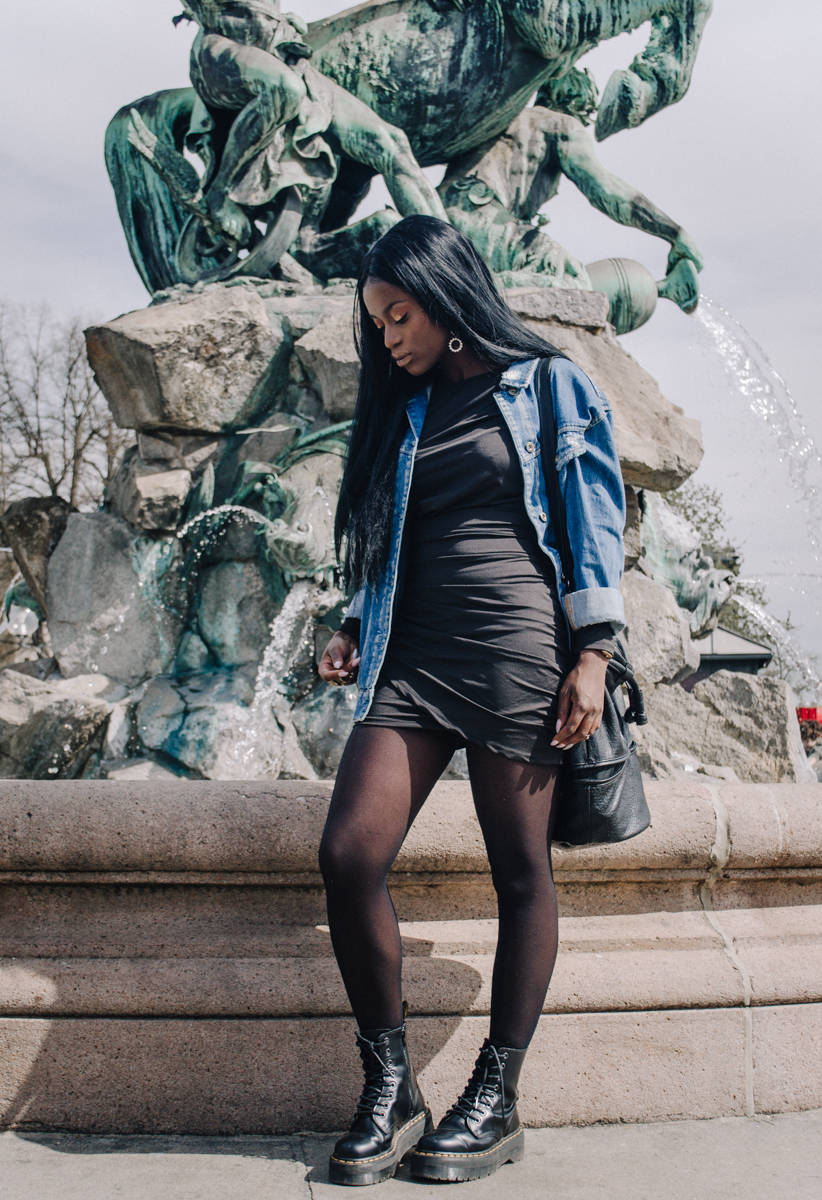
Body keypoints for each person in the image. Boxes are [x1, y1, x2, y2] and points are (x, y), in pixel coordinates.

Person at [317, 215, 626, 1186]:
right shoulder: (404, 414)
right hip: (411, 655)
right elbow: (389, 542)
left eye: (398, 315)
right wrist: (353, 619)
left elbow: (594, 517)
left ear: (447, 298)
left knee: (520, 869)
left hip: (516, 650)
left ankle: (497, 1096)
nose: (389, 338)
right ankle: (390, 1085)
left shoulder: (548, 385)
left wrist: (597, 652)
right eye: (376, 324)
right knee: (346, 853)